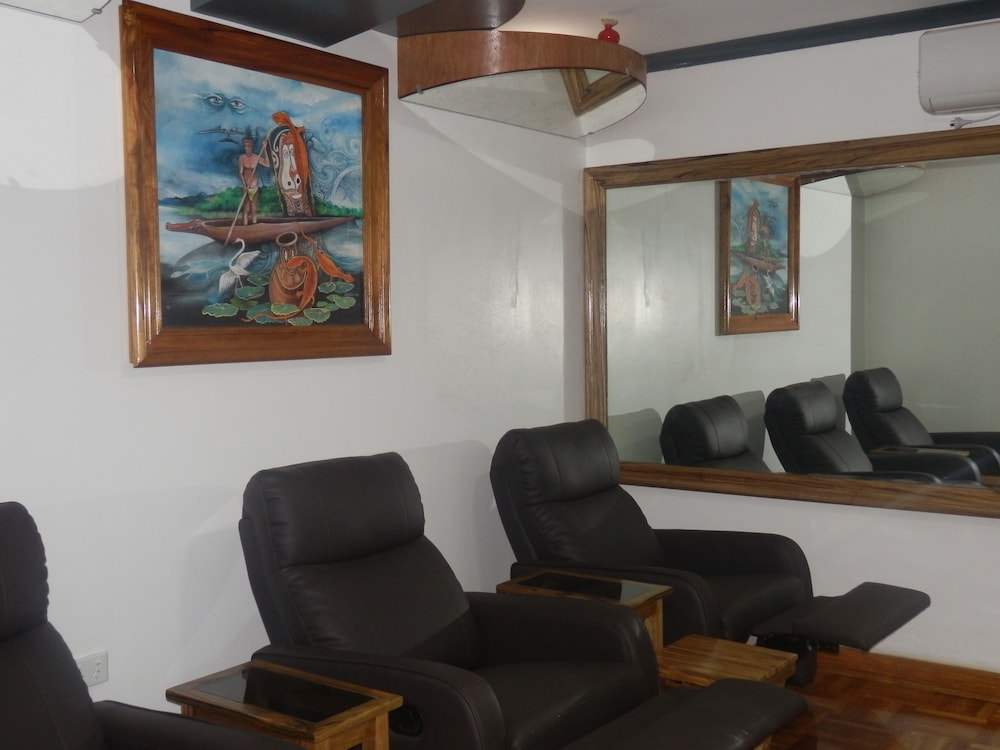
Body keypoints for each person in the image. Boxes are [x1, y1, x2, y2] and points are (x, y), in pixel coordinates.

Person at [238, 135, 270, 225]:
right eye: (245, 146)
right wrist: (244, 186)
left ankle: (254, 227)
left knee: (254, 208)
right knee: (246, 209)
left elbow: (267, 164)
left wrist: (264, 149)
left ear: (252, 146)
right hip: (246, 188)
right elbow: (240, 173)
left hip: (255, 187)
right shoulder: (242, 158)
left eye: (248, 146)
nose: (247, 148)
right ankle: (245, 227)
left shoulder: (256, 157)